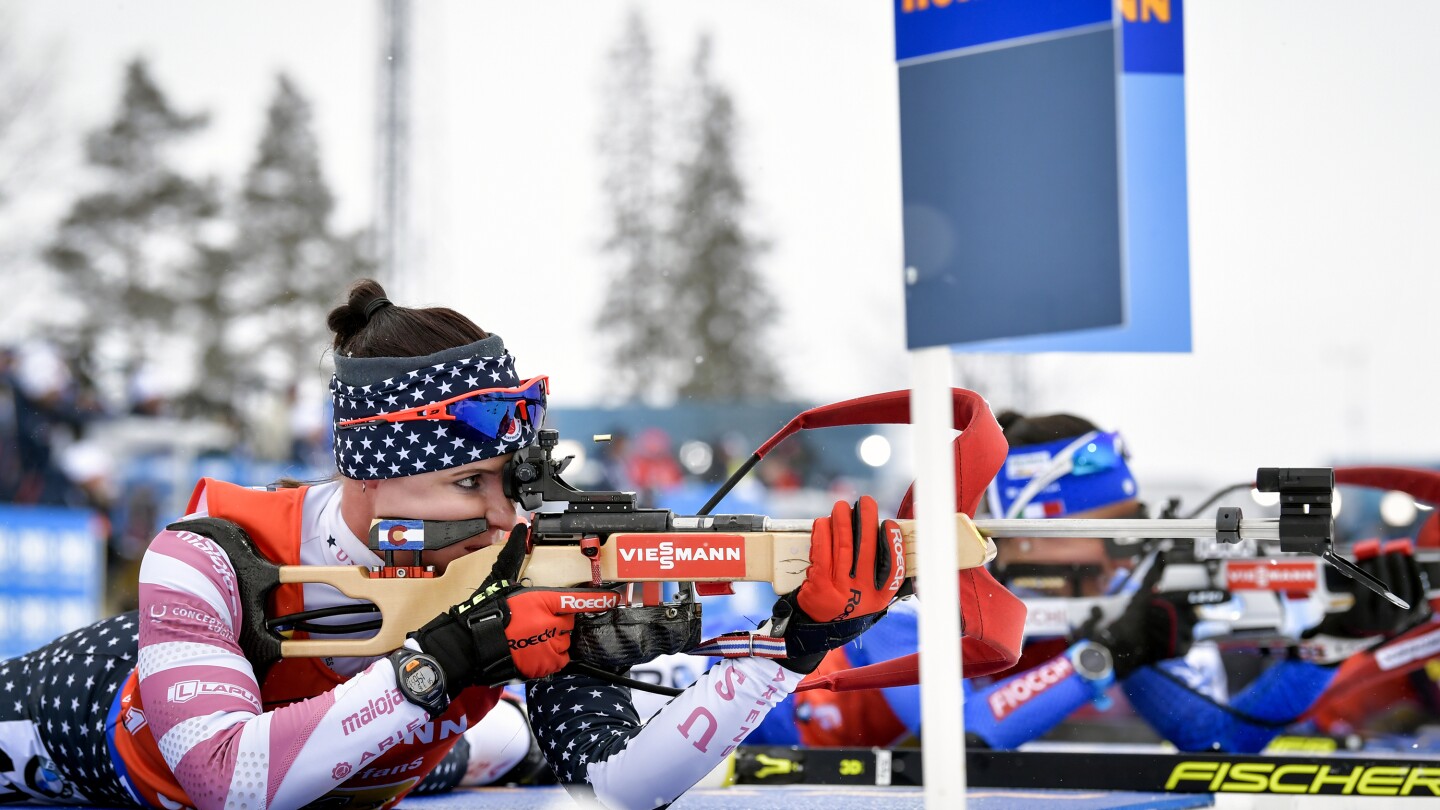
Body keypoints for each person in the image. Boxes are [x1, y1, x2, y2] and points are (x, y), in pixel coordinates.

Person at [0, 279, 906, 809]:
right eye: (467, 484)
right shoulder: (210, 553)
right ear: (369, 478)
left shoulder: (523, 550)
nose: (505, 517)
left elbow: (625, 788)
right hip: (64, 727)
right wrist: (446, 660)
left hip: (402, 763)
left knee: (506, 749)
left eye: (506, 480)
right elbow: (223, 781)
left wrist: (788, 649)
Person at [782, 410, 1430, 754]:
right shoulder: (920, 595)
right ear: (1025, 531)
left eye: (1136, 526)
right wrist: (1109, 654)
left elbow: (1221, 738)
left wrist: (1329, 641)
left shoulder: (1119, 607)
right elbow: (956, 744)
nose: (1129, 551)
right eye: (1110, 529)